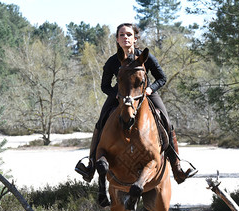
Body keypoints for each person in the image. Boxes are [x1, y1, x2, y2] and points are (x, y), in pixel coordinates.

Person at [75, 23, 197, 184]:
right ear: (117, 39)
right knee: (101, 121)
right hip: (119, 96)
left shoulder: (146, 57)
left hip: (144, 94)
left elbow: (162, 78)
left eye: (128, 34)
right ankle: (90, 165)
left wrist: (150, 90)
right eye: (121, 35)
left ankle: (177, 167)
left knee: (166, 120)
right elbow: (104, 86)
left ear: (135, 38)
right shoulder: (112, 61)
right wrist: (117, 95)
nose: (125, 37)